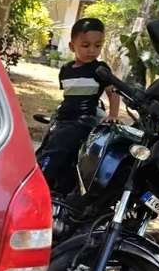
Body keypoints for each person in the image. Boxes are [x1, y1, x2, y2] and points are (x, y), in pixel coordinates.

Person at [37, 17, 120, 195]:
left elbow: (113, 92)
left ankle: (38, 183)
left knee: (54, 151)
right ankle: (57, 191)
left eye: (97, 46)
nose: (92, 50)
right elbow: (68, 97)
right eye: (85, 45)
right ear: (72, 46)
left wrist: (113, 114)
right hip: (63, 119)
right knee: (48, 147)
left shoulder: (100, 69)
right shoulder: (66, 70)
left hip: (83, 120)